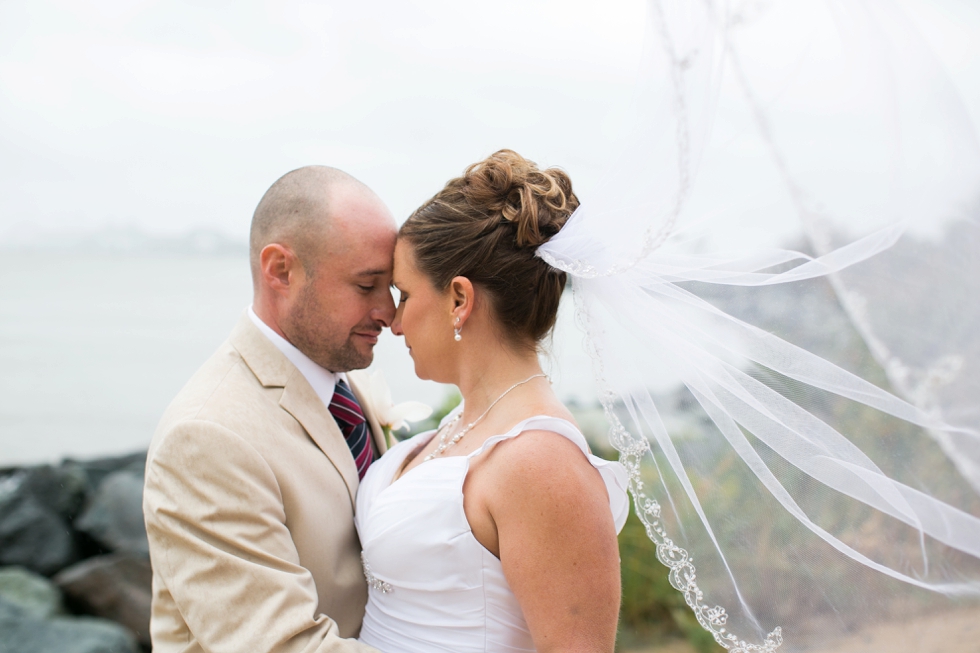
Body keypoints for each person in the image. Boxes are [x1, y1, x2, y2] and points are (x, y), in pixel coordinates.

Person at [354, 150, 630, 653]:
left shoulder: (542, 463)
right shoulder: (464, 424)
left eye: (404, 294)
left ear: (459, 299)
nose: (393, 322)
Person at [143, 166, 395, 653]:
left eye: (393, 288)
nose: (389, 311)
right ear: (280, 270)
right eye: (367, 286)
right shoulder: (207, 435)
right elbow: (282, 645)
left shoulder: (344, 383)